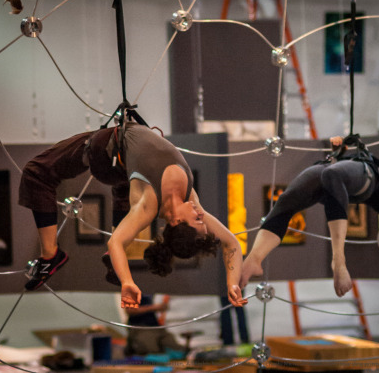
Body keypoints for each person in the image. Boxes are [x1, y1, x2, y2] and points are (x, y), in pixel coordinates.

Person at [19, 119, 247, 309]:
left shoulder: (149, 205)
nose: (200, 212)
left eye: (198, 219)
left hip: (104, 153)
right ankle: (114, 260)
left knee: (35, 173)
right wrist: (232, 284)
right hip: (125, 169)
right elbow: (231, 243)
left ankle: (50, 255)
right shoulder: (190, 200)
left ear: (176, 221)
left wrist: (127, 281)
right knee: (125, 190)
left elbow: (115, 242)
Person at [241, 136, 379, 297]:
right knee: (285, 201)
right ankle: (254, 259)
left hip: (367, 177)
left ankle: (339, 261)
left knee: (332, 175)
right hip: (333, 174)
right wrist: (339, 151)